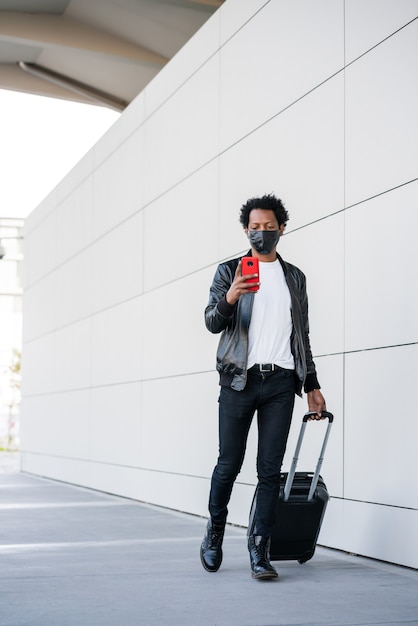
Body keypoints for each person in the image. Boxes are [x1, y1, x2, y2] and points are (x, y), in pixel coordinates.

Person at [200, 193, 326, 580]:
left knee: (270, 471)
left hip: (280, 382)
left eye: (269, 228)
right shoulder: (229, 270)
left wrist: (312, 385)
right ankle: (215, 531)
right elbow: (211, 321)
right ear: (245, 230)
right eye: (254, 228)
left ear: (282, 229)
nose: (261, 234)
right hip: (238, 381)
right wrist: (230, 297)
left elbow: (301, 335)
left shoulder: (294, 277)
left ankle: (260, 549)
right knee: (228, 465)